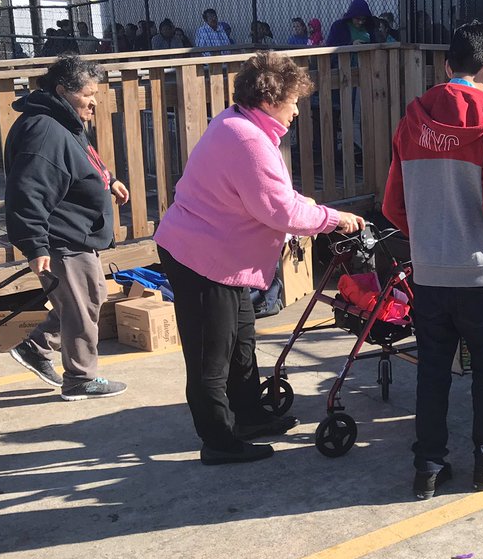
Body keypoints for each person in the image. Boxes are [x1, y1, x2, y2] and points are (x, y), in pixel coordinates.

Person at [155, 51, 364, 465]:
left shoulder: (241, 125)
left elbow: (269, 197)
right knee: (210, 357)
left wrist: (309, 206)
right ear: (271, 99)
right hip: (200, 258)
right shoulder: (247, 139)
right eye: (293, 101)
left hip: (221, 257)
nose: (297, 110)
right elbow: (278, 210)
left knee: (241, 340)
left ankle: (248, 415)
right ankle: (219, 441)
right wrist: (334, 218)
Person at [381, 21, 483, 501]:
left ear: (447, 65)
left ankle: (428, 469)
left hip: (429, 274)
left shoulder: (412, 118)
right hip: (482, 276)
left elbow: (393, 207)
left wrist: (431, 236)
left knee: (432, 371)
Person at [4, 54, 130, 401]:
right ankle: (80, 378)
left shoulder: (64, 120)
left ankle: (36, 347)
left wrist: (109, 179)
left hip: (72, 232)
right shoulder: (43, 131)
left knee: (86, 299)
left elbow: (82, 157)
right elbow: (28, 191)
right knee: (82, 304)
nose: (94, 101)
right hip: (61, 237)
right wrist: (35, 245)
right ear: (63, 90)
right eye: (89, 94)